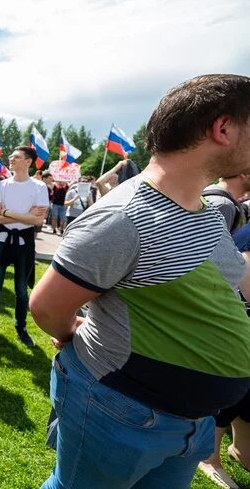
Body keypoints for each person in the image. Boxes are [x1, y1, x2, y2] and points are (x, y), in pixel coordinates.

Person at [30, 74, 250, 488]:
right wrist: (69, 330)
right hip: (124, 415)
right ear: (223, 128)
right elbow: (46, 307)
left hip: (188, 423)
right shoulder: (123, 217)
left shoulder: (204, 208)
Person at [198, 172, 250, 488]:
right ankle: (209, 455)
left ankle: (232, 448)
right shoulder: (222, 205)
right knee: (230, 385)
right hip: (232, 319)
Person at [0, 146, 48, 347]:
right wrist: (24, 215)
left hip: (24, 243)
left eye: (16, 157)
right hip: (2, 241)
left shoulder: (39, 187)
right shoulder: (2, 185)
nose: (11, 159)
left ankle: (21, 327)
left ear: (28, 162)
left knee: (21, 288)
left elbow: (38, 221)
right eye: (11, 156)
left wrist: (7, 212)